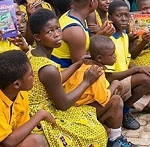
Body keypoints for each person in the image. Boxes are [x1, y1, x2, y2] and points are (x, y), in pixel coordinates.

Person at [27, 9, 107, 146]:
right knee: (95, 132)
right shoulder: (48, 68)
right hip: (42, 115)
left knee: (88, 116)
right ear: (38, 37)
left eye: (58, 28)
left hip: (41, 108)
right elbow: (63, 104)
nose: (57, 34)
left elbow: (56, 79)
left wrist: (78, 63)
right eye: (49, 32)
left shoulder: (32, 53)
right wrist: (87, 81)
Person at [63, 35, 137, 147]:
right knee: (116, 100)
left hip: (76, 106)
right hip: (79, 110)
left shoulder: (86, 65)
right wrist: (115, 84)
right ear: (99, 58)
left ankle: (108, 130)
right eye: (111, 54)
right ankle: (115, 140)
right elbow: (104, 99)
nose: (115, 56)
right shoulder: (96, 72)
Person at [0, 51, 52, 147]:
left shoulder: (21, 94)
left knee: (36, 140)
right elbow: (8, 142)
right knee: (36, 140)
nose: (34, 77)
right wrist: (40, 115)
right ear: (16, 84)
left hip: (6, 143)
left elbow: (21, 132)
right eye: (31, 74)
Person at [104, 0, 150, 129]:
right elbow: (110, 77)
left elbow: (127, 61)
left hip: (124, 81)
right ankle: (123, 111)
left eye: (126, 15)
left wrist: (144, 69)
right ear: (110, 17)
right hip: (112, 85)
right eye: (119, 15)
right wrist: (137, 70)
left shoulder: (123, 34)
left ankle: (124, 109)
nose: (124, 19)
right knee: (146, 80)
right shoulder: (108, 40)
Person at [51, 0, 97, 68]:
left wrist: (100, 34)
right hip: (63, 75)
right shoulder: (75, 30)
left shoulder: (72, 14)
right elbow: (81, 64)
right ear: (92, 3)